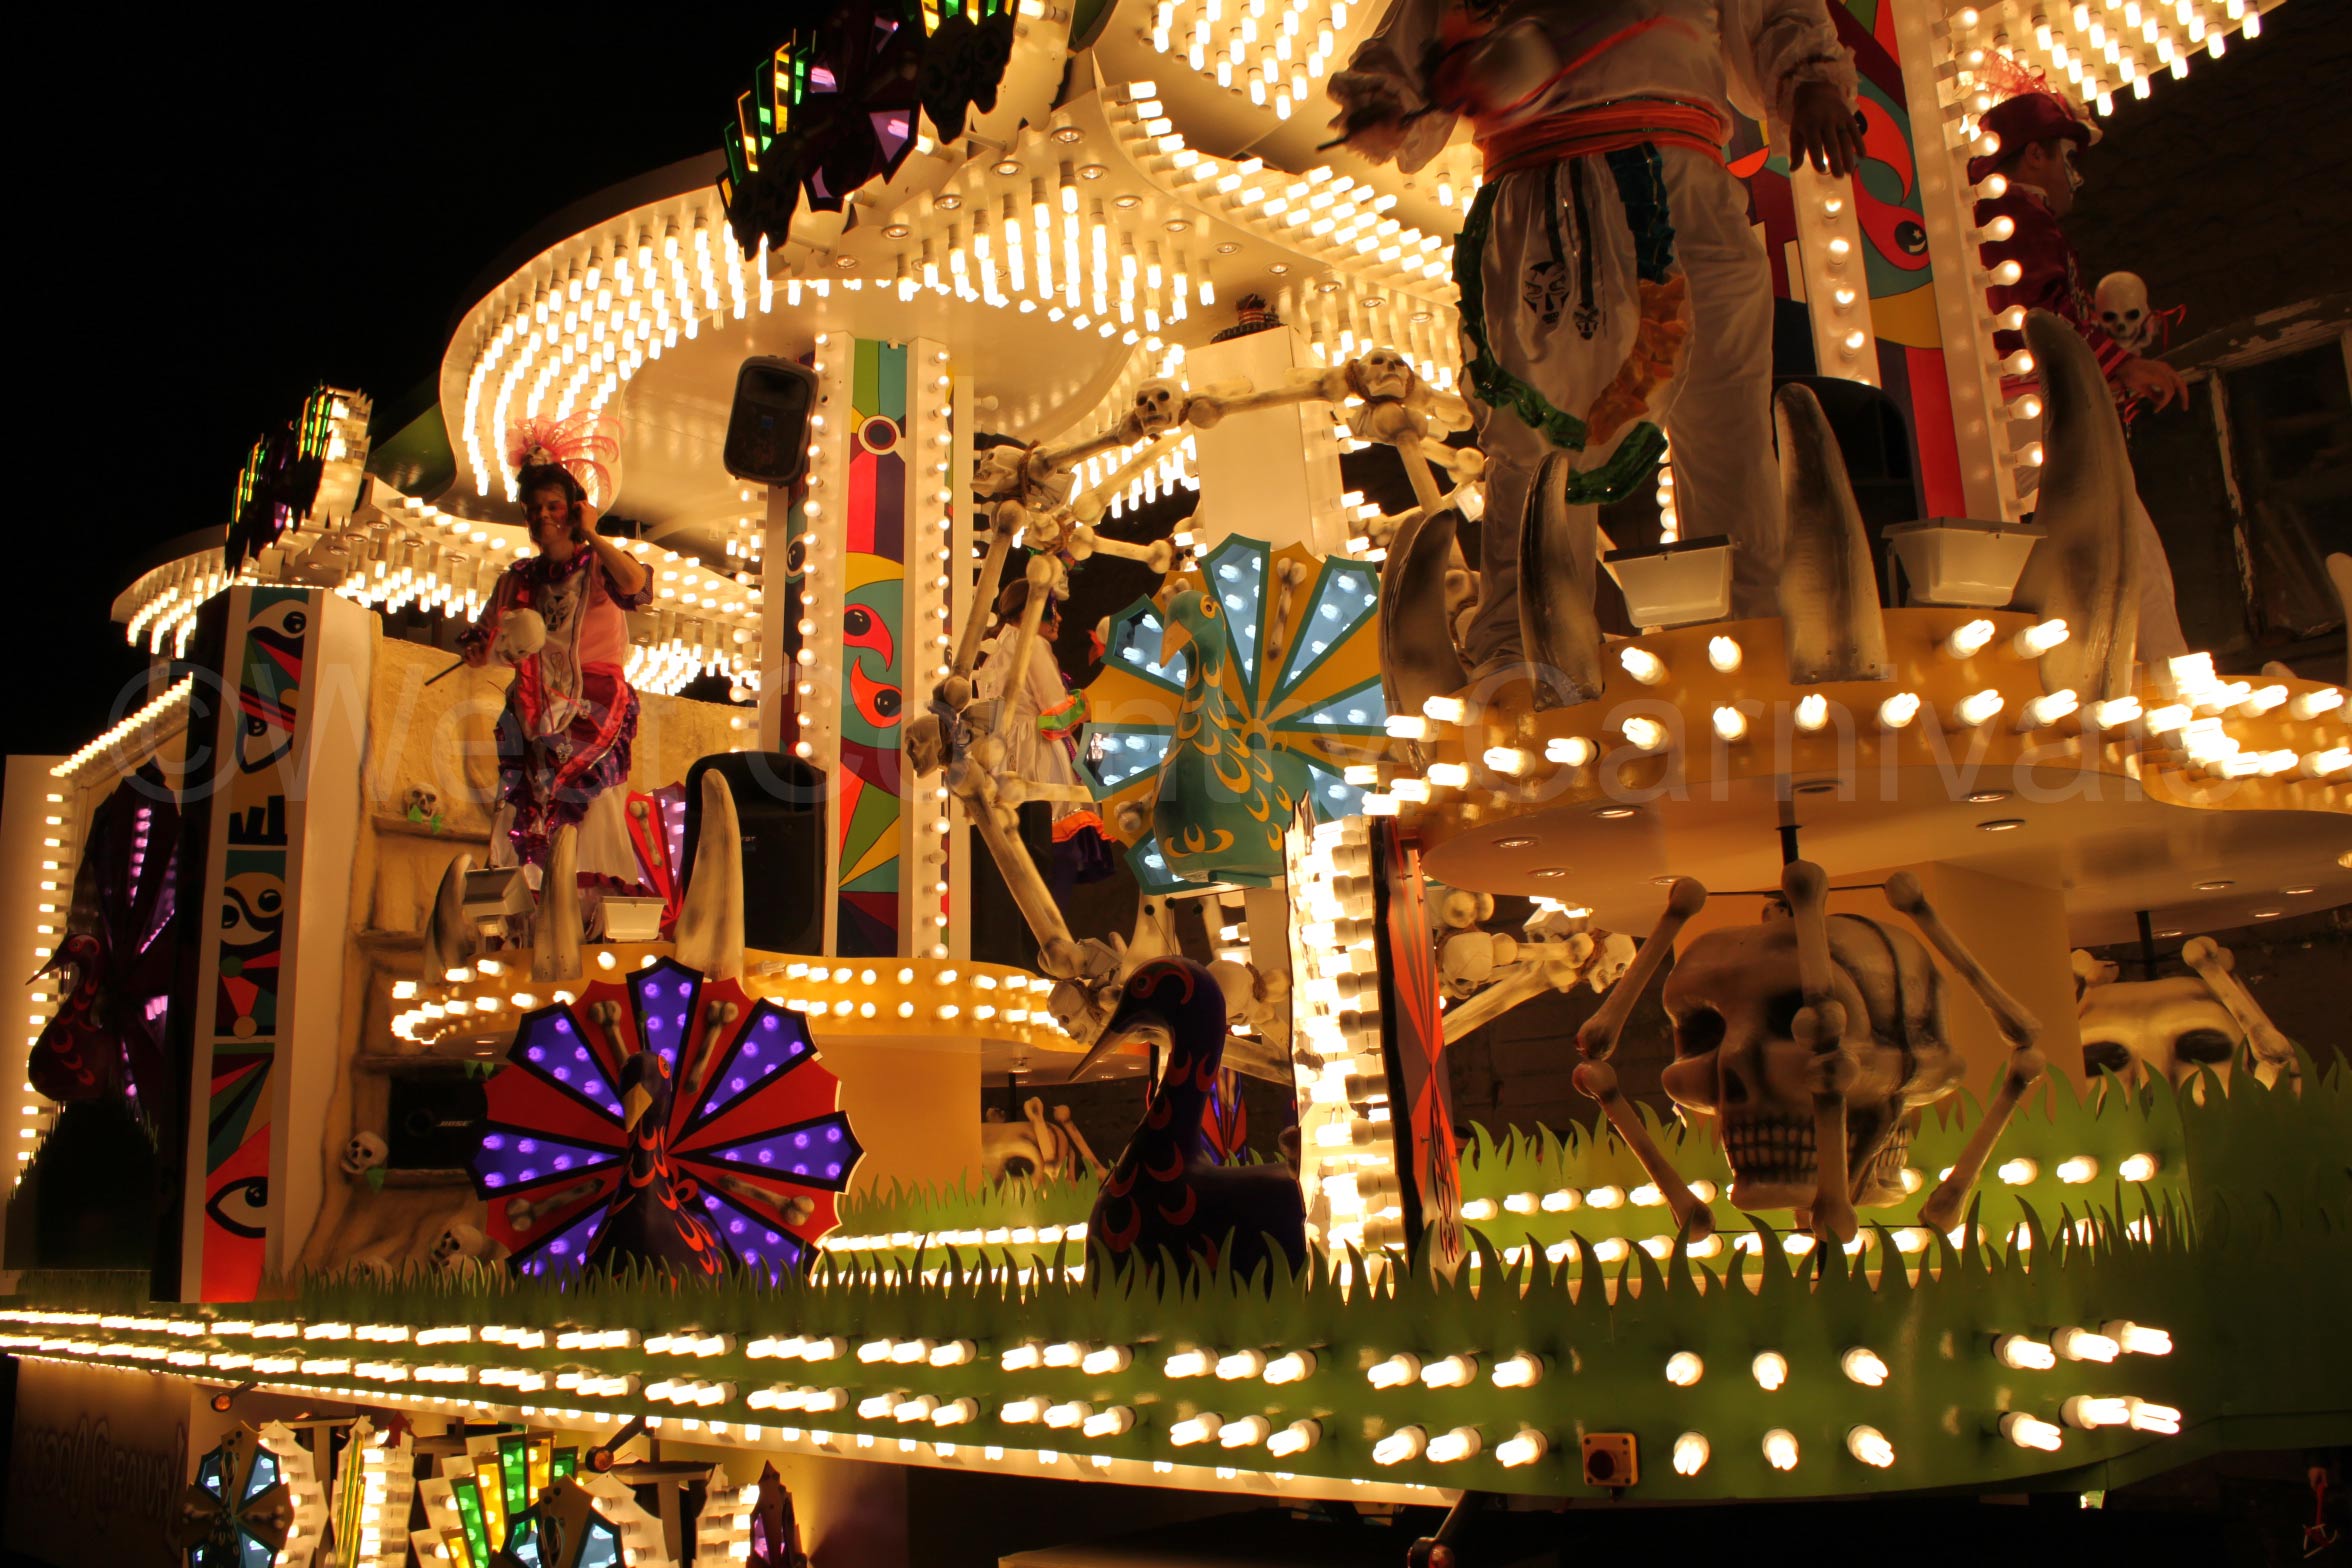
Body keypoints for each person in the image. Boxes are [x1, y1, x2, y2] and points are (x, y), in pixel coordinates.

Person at [1329, 0, 1863, 679]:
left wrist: (1810, 78)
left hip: (1685, 174)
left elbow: (1780, 14)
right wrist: (1389, 99)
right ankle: (1528, 661)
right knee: (1532, 444)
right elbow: (1406, 53)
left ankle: (1751, 647)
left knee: (1727, 426)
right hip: (1540, 192)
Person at [1970, 89, 2188, 661]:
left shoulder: (2001, 215)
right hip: (2043, 415)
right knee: (2130, 553)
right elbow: (2044, 313)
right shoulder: (2019, 214)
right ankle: (2167, 676)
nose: (2077, 177)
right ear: (2035, 155)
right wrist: (2122, 364)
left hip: (2021, 416)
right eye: (2069, 157)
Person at [460, 445, 654, 920]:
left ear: (575, 509)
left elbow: (635, 586)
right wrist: (481, 650)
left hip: (594, 708)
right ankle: (523, 917)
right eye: (534, 509)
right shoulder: (517, 579)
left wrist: (593, 533)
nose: (543, 516)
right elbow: (483, 643)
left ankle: (587, 919)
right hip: (532, 709)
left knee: (590, 806)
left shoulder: (598, 565)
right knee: (523, 806)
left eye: (554, 506)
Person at [973, 580, 1113, 897]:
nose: (1059, 618)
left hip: (1002, 762)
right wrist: (1094, 702)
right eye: (1052, 610)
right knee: (1055, 854)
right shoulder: (1031, 644)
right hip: (1039, 756)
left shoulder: (992, 653)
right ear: (1030, 611)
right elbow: (1055, 716)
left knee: (1024, 861)